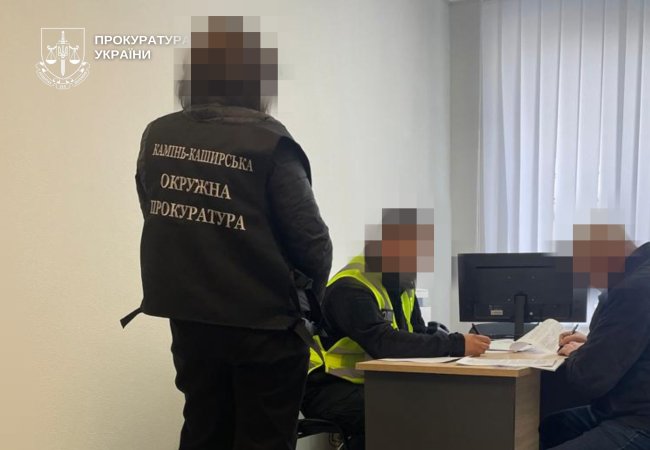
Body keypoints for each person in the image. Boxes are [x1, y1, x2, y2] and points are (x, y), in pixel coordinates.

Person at [123, 16, 332, 450]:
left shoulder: (157, 135)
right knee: (263, 440)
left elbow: (154, 212)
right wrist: (307, 308)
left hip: (191, 322)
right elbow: (313, 245)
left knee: (203, 432)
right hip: (266, 328)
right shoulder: (269, 142)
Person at [300, 208, 490, 450]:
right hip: (328, 388)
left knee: (437, 400)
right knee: (408, 409)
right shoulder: (350, 288)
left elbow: (416, 333)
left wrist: (452, 342)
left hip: (372, 382)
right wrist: (455, 344)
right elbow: (384, 343)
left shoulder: (400, 283)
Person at [539, 224, 650, 449]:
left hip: (639, 420)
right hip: (630, 406)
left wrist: (578, 353)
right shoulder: (639, 276)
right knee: (554, 426)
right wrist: (593, 344)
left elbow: (590, 378)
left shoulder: (633, 289)